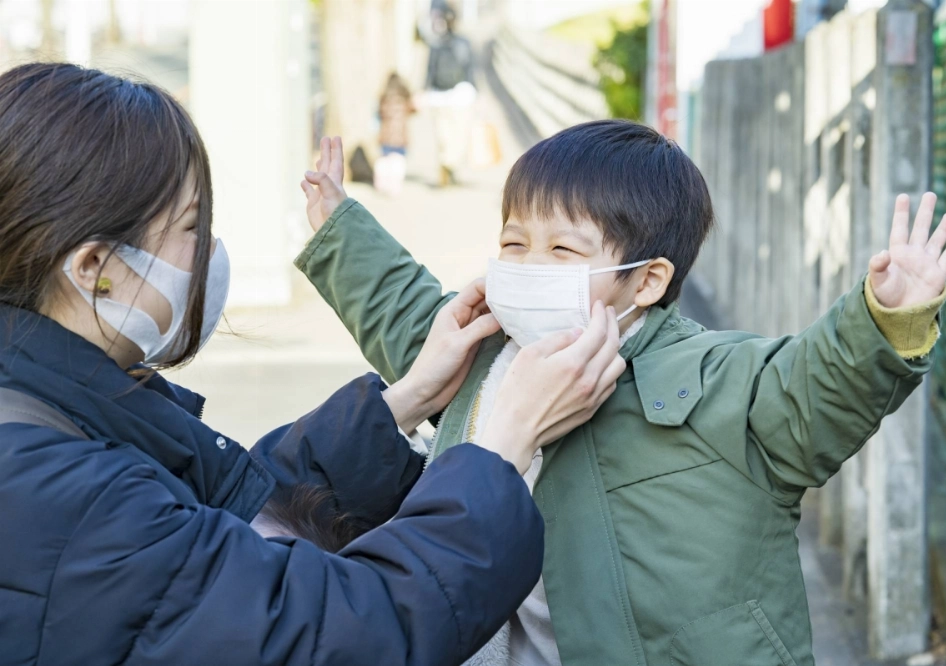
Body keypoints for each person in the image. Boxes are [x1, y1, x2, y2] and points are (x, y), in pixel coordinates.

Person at [0, 63, 626, 666]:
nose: (213, 250)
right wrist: (502, 443)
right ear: (92, 270)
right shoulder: (54, 490)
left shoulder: (58, 408)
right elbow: (343, 630)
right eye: (192, 226)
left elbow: (229, 508)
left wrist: (405, 400)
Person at [297, 120, 946, 666]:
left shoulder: (717, 378)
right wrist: (340, 228)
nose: (527, 267)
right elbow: (406, 309)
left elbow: (820, 387)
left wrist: (883, 319)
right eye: (513, 241)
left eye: (562, 250)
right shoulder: (479, 351)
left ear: (644, 283)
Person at [422, 4, 476, 187]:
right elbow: (469, 68)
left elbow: (430, 70)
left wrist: (425, 90)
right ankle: (448, 166)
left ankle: (447, 167)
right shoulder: (461, 42)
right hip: (453, 95)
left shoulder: (436, 43)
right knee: (454, 135)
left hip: (445, 95)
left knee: (445, 135)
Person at [374, 72, 416, 197]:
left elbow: (379, 113)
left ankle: (381, 183)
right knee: (398, 160)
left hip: (385, 134)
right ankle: (394, 186)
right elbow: (413, 110)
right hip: (400, 135)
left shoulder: (383, 98)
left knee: (384, 159)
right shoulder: (405, 98)